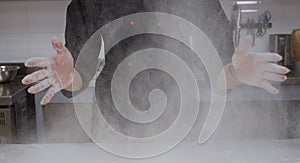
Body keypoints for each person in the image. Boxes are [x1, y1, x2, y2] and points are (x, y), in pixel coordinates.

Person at [22, 0, 289, 106]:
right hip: (113, 124)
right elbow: (78, 80)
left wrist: (236, 73)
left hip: (181, 117)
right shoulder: (88, 1)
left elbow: (220, 78)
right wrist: (68, 75)